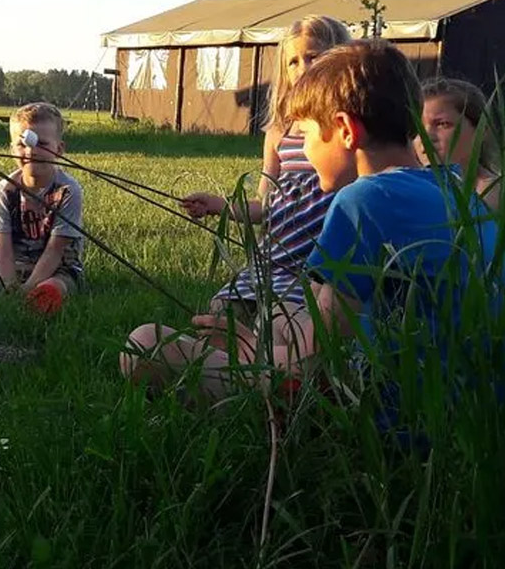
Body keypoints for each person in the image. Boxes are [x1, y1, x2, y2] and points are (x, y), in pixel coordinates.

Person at [121, 41, 499, 427]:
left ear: (346, 130)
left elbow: (324, 343)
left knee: (145, 344)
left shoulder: (365, 199)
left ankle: (287, 406)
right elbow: (341, 318)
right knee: (282, 321)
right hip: (466, 398)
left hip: (389, 409)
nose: (304, 150)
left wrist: (248, 351)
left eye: (306, 135)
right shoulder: (454, 187)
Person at [181, 16, 352, 322]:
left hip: (317, 264)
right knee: (222, 310)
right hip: (276, 258)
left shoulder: (347, 128)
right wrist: (217, 206)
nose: (303, 69)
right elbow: (266, 205)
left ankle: (278, 361)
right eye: (293, 62)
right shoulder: (279, 131)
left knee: (282, 320)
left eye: (313, 57)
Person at [0, 102, 84, 316]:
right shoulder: (3, 191)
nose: (31, 151)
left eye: (41, 143)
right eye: (22, 144)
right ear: (11, 149)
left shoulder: (69, 191)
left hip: (57, 267)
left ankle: (40, 299)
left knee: (55, 287)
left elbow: (55, 250)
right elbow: (2, 249)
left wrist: (29, 288)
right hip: (11, 263)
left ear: (59, 149)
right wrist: (9, 286)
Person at [418, 76, 501, 210]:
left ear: (481, 130)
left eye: (442, 124)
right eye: (417, 127)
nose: (425, 137)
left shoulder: (494, 194)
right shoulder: (404, 187)